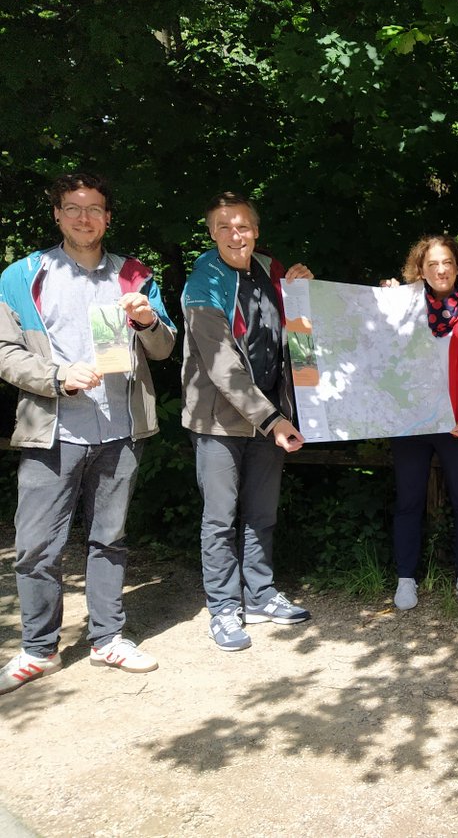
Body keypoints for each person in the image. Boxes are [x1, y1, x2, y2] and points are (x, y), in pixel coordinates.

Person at [0, 173, 176, 694]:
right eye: (73, 208)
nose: (84, 217)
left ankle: (108, 640)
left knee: (111, 539)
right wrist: (56, 378)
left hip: (121, 430)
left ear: (107, 217)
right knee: (35, 546)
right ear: (56, 213)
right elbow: (5, 353)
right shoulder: (22, 275)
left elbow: (165, 349)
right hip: (50, 431)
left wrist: (148, 322)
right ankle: (38, 650)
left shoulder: (136, 275)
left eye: (94, 208)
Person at [181, 192, 313, 652]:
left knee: (261, 513)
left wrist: (303, 290)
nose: (235, 234)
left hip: (271, 416)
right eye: (223, 227)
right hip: (219, 421)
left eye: (242, 226)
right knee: (220, 518)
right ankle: (223, 609)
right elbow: (222, 367)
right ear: (212, 233)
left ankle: (259, 595)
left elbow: (299, 335)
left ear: (256, 229)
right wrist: (273, 420)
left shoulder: (270, 269)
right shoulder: (204, 281)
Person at [386, 235, 458, 610]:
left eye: (447, 262)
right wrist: (385, 300)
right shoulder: (401, 310)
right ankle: (405, 579)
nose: (441, 269)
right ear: (420, 270)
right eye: (432, 264)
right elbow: (376, 354)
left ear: (457, 266)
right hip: (411, 424)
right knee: (409, 502)